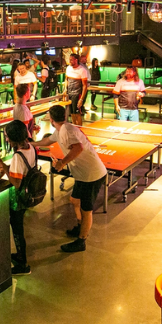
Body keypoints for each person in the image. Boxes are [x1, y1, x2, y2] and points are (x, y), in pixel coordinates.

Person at [32, 105, 107, 253]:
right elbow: (47, 142)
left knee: (87, 211)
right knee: (74, 200)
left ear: (51, 119)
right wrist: (30, 144)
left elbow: (78, 148)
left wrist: (62, 163)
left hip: (91, 175)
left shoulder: (67, 130)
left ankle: (82, 240)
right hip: (83, 175)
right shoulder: (61, 129)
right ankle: (80, 226)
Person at [0, 120, 36, 275]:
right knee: (19, 228)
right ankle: (19, 255)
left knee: (17, 230)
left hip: (18, 199)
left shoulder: (18, 156)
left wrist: (4, 168)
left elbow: (16, 183)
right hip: (28, 193)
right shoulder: (30, 148)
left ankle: (23, 264)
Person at [65, 53, 88, 126]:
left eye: (71, 60)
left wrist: (81, 99)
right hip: (69, 93)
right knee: (71, 113)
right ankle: (74, 128)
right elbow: (66, 80)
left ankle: (80, 130)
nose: (70, 61)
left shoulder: (82, 70)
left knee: (77, 113)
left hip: (77, 94)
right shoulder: (68, 68)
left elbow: (85, 86)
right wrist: (65, 89)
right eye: (69, 60)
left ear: (76, 60)